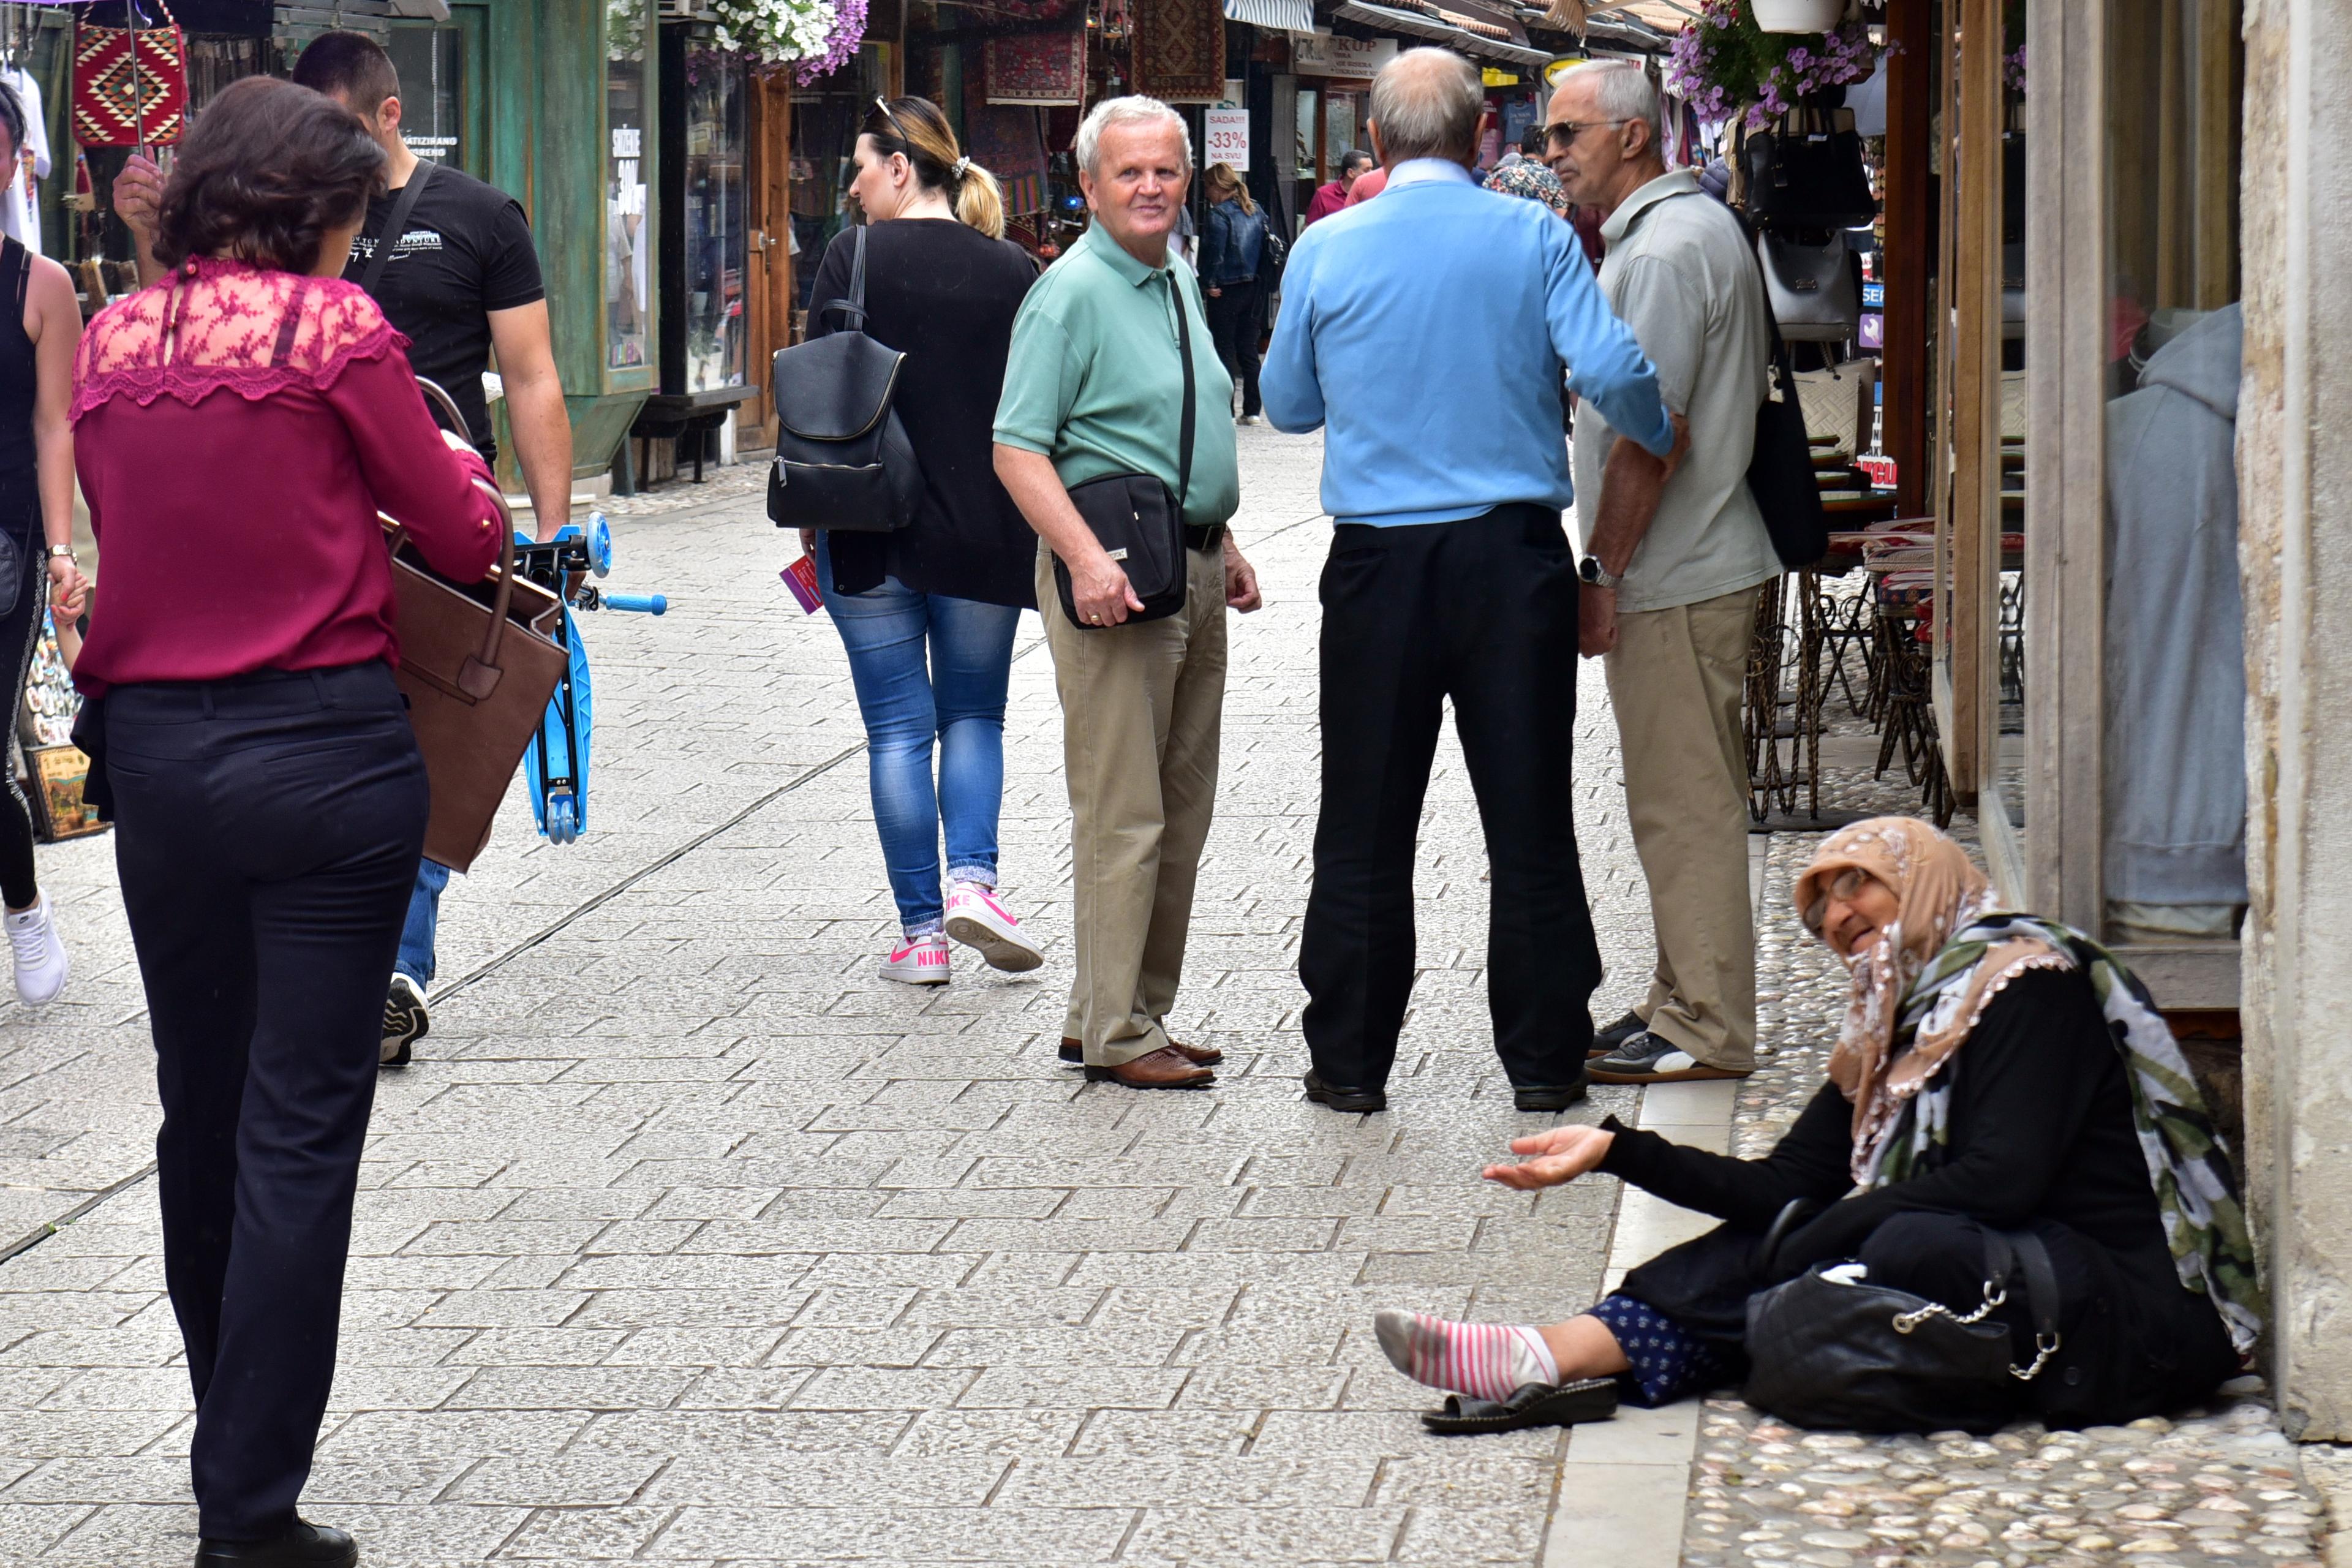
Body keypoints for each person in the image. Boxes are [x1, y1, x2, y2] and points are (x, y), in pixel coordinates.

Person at [70, 75, 504, 1566]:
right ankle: (247, 1503)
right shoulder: (337, 333)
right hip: (323, 750)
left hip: (163, 763)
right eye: (348, 217)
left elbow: (133, 527)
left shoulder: (120, 338)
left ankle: (224, 1437)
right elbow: (461, 532)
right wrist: (449, 471)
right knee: (302, 1127)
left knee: (202, 1109)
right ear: (308, 213)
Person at [1370, 818, 2260, 1432]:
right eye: (1822, 906)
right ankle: (1553, 1356)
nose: (1839, 917)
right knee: (1821, 1232)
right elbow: (1784, 1185)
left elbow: (2003, 1180)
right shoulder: (1890, 1032)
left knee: (1892, 1237)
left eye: (1859, 886)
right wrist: (1616, 1150)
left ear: (1923, 883)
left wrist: (1824, 1232)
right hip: (2015, 1274)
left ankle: (1552, 1356)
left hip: (2129, 1319)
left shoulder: (2029, 984)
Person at [115, 32, 576, 1065]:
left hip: (196, 699)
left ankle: (396, 967)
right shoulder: (333, 318)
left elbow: (533, 376)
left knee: (436, 726)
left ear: (383, 120)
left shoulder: (477, 219)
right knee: (384, 741)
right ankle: (373, 974)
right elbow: (196, 353)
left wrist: (552, 529)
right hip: (325, 589)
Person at [1259, 48, 1680, 1116]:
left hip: (1379, 566)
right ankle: (1543, 1062)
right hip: (1511, 560)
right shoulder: (1534, 235)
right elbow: (1618, 372)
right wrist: (1660, 435)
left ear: (1375, 145)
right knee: (1530, 815)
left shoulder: (1326, 245)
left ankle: (1349, 1063)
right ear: (1477, 139)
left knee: (1362, 819)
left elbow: (1291, 404)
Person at [992, 96, 1262, 1090]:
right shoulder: (1070, 293)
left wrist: (1221, 539)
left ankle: (1123, 1010)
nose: (1150, 188)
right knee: (1126, 811)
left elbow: (1177, 426)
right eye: (1129, 173)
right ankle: (1117, 1031)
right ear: (1092, 186)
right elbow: (1016, 449)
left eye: (1165, 171)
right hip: (1112, 577)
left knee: (1179, 808)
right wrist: (1084, 560)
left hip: (1183, 562)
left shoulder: (1174, 274)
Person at [1545, 62, 1779, 1087]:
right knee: (1675, 795)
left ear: (1634, 136)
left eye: (1567, 134)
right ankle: (1681, 996)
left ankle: (1710, 1023)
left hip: (1678, 569)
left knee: (1684, 802)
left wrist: (1603, 568)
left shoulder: (1667, 252)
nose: (1552, 152)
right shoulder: (1672, 236)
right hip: (1689, 563)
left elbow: (1656, 432)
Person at [799, 96, 1044, 986]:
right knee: (975, 712)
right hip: (986, 529)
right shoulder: (1015, 268)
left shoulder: (851, 258)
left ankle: (923, 938)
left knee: (898, 730)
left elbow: (817, 405)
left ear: (901, 167)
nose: (856, 187)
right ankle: (974, 882)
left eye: (862, 168)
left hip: (867, 531)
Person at [0, 79, 88, 1008]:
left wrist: (62, 551)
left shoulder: (42, 285)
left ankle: (24, 905)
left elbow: (54, 423)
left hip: (8, 546)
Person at [1198, 162, 1267, 426]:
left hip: (1225, 289)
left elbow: (1214, 253)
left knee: (1224, 350)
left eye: (1207, 186)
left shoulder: (1219, 215)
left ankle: (1226, 410)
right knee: (1248, 350)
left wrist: (1210, 282)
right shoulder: (1256, 210)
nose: (1206, 193)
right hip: (1253, 288)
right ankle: (1252, 411)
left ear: (1218, 186)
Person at [1305, 147, 1374, 226]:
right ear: (1351, 173)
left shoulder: (1374, 194)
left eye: (1372, 169)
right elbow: (1309, 229)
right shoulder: (1324, 194)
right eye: (1366, 170)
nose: (1372, 173)